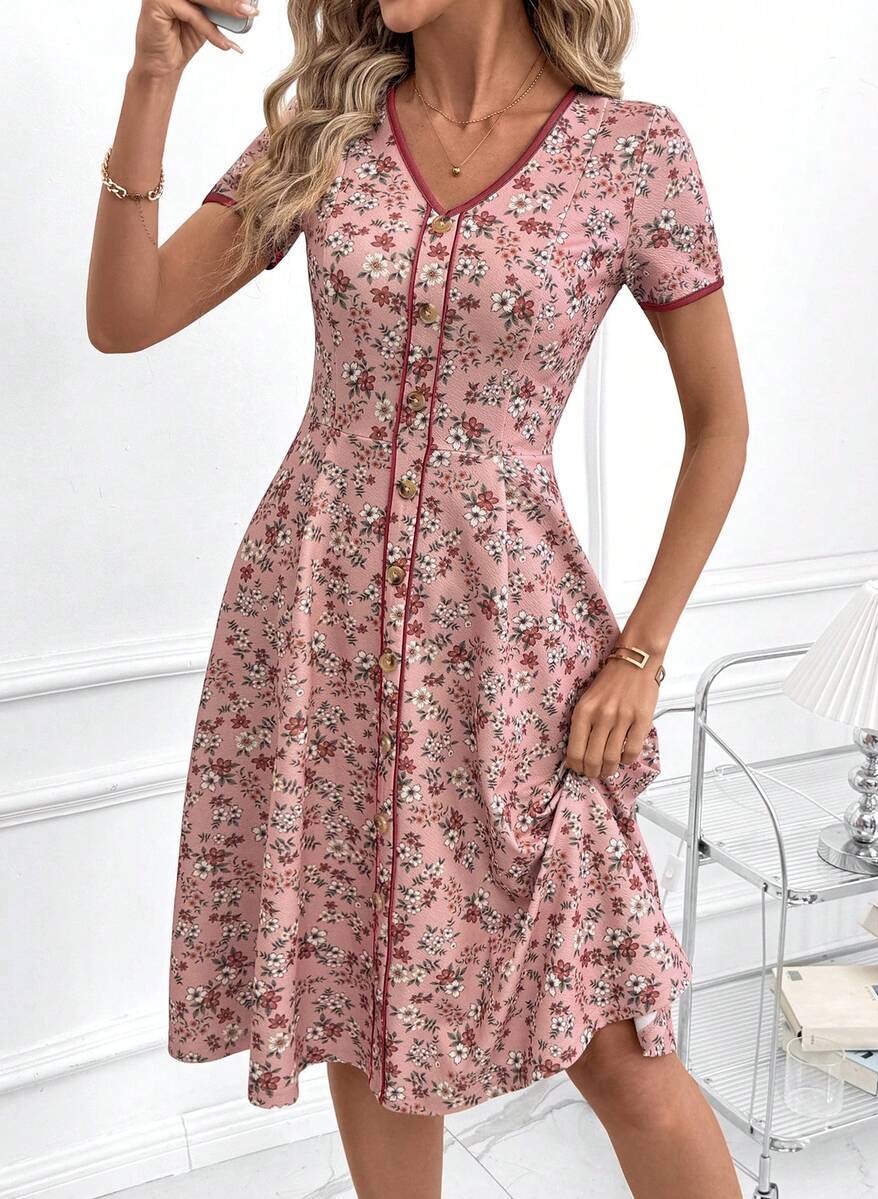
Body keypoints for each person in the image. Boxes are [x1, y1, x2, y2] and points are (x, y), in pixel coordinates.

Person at [87, 1, 747, 1195]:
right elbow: (126, 318)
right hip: (317, 624)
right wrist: (151, 82)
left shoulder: (633, 151)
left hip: (513, 648)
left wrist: (640, 654)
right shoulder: (328, 132)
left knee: (619, 1040)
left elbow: (722, 426)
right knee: (357, 999)